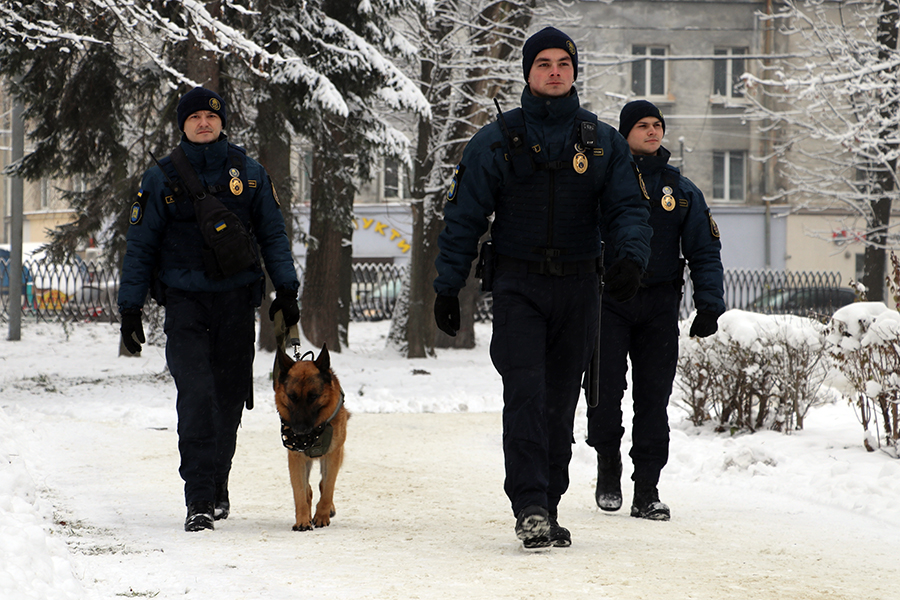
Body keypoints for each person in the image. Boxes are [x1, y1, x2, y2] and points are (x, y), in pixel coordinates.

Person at [433, 27, 652, 549]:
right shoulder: (496, 140)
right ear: (527, 73)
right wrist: (447, 286)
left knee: (560, 403)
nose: (554, 71)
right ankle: (529, 504)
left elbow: (628, 210)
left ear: (574, 72)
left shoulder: (602, 142)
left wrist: (630, 258)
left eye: (563, 63)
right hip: (518, 286)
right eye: (543, 64)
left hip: (579, 289)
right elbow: (463, 217)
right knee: (525, 395)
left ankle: (549, 502)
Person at [117, 87, 300, 532]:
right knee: (196, 397)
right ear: (182, 124)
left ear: (222, 123)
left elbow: (273, 235)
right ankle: (198, 497)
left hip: (237, 302)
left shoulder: (250, 173)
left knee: (230, 399)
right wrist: (130, 308)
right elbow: (141, 246)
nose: (204, 122)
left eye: (211, 116)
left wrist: (287, 290)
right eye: (194, 116)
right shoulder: (160, 177)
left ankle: (218, 483)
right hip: (184, 305)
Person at [586, 100, 725, 521]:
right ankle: (607, 464)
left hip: (660, 305)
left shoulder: (679, 190)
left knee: (653, 399)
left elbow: (704, 250)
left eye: (657, 125)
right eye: (642, 125)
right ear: (624, 133)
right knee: (604, 394)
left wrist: (709, 304)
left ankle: (647, 487)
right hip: (609, 303)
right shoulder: (603, 183)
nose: (652, 131)